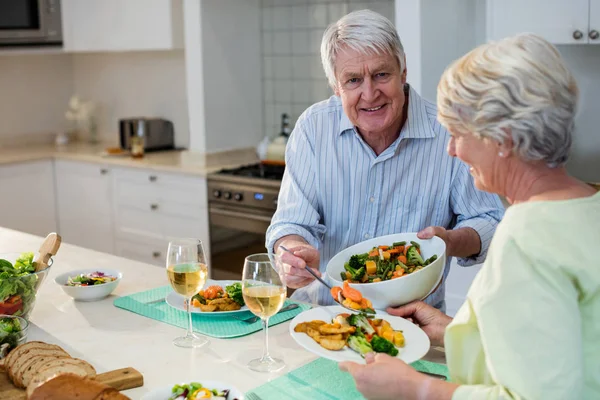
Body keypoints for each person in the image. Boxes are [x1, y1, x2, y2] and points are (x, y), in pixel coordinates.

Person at [339, 33, 600, 399]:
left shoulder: (527, 235)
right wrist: (454, 330)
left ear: (504, 139)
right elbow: (569, 347)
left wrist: (416, 388)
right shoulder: (588, 204)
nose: (451, 149)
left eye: (459, 132)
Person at [265, 10, 504, 310]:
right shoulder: (313, 128)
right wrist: (295, 252)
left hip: (413, 325)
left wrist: (449, 242)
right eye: (353, 80)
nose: (369, 93)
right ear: (336, 87)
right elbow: (290, 223)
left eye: (381, 74)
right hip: (323, 315)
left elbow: (490, 222)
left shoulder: (449, 132)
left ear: (403, 71)